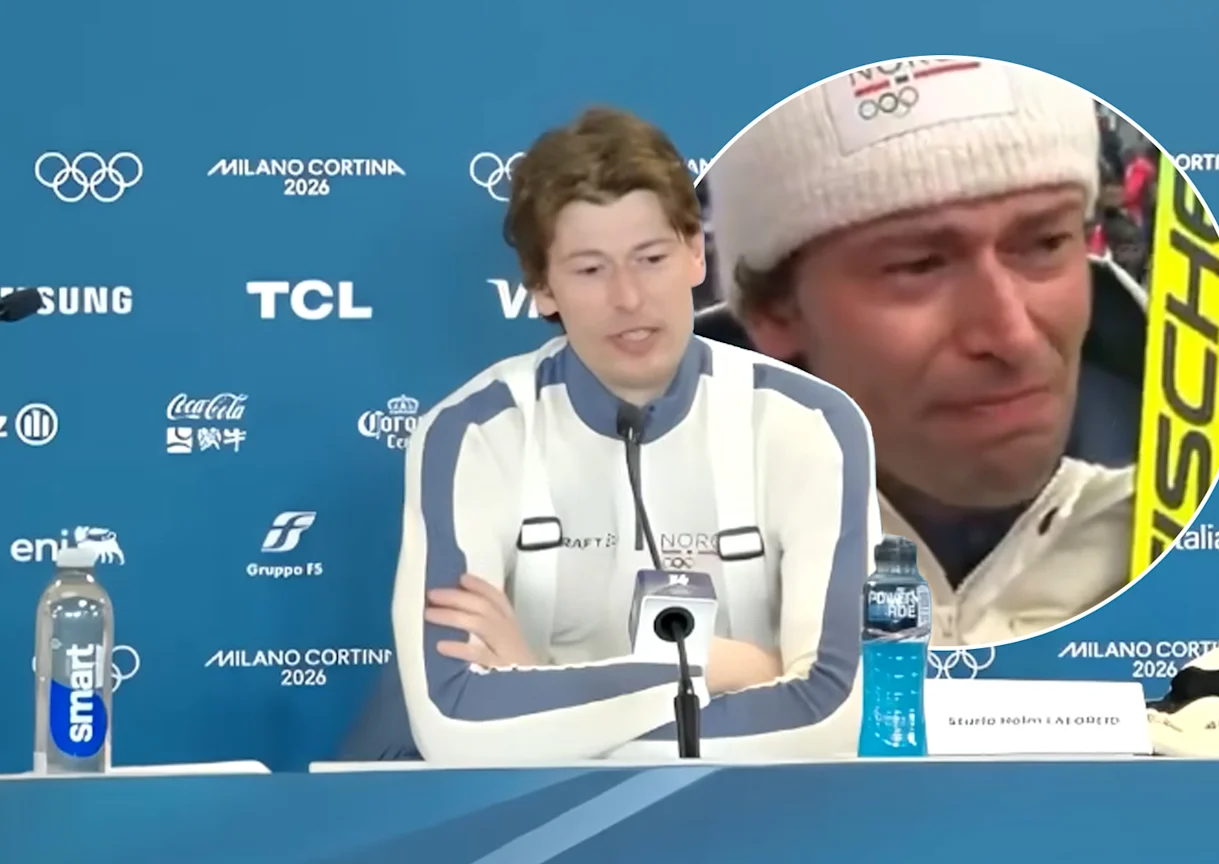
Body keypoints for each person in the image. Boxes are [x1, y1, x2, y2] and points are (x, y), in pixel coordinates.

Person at [341, 106, 880, 766]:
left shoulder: (812, 423)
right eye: (591, 270)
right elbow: (455, 724)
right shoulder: (472, 433)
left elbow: (835, 717)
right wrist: (734, 667)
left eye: (650, 258)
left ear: (693, 254)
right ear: (543, 289)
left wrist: (536, 687)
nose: (629, 298)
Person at [694, 59, 1154, 646]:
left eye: (1044, 242)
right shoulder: (653, 556)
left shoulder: (1206, 523)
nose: (1011, 335)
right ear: (775, 313)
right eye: (919, 265)